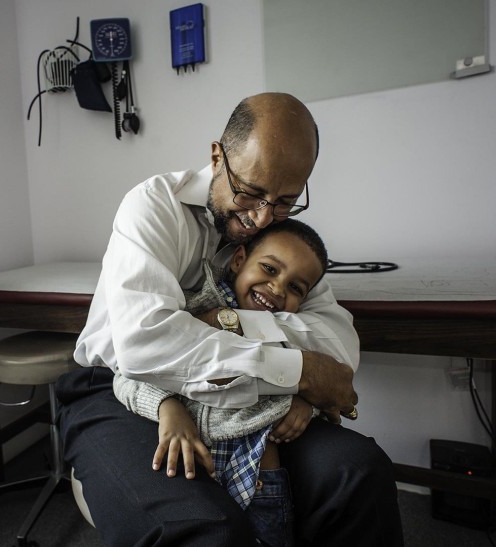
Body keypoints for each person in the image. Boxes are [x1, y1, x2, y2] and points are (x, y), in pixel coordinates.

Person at [55, 92, 403, 546]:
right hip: (118, 386)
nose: (261, 218)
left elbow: (336, 342)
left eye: (284, 202)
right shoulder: (155, 207)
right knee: (204, 528)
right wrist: (297, 371)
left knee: (358, 470)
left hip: (242, 401)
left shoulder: (279, 235)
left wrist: (227, 321)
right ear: (217, 156)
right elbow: (145, 344)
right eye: (250, 193)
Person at [114, 219, 345, 547]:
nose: (278, 289)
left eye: (296, 288)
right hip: (193, 474)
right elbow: (128, 375)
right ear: (239, 260)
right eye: (269, 268)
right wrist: (168, 407)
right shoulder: (193, 312)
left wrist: (307, 405)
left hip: (263, 483)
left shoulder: (288, 332)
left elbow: (325, 387)